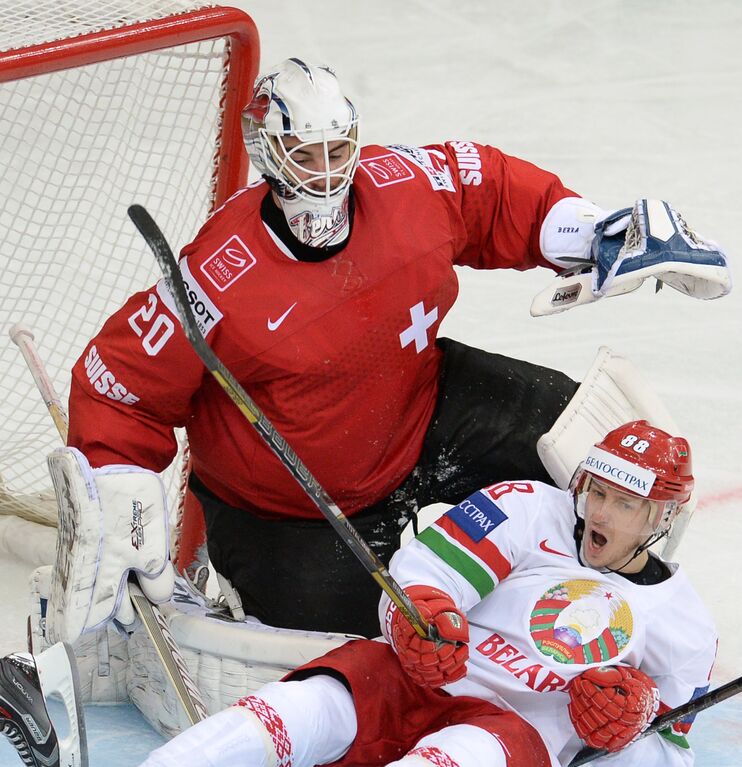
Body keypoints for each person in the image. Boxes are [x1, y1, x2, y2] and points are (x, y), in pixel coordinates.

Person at [53, 57, 730, 642]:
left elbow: (488, 190)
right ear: (267, 152)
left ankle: (598, 608)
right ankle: (233, 574)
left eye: (336, 150)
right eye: (304, 155)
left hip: (420, 405)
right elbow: (119, 382)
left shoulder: (402, 184)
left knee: (580, 440)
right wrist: (119, 491)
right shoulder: (218, 274)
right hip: (290, 505)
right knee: (370, 644)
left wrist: (594, 230)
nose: (325, 173)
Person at [32, 420, 717, 767]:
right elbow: (428, 575)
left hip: (514, 735)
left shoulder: (682, 626)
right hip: (419, 681)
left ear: (659, 517)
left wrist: (629, 733)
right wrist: (422, 616)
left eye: (623, 505)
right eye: (597, 492)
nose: (598, 512)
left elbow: (657, 763)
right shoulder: (527, 506)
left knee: (466, 757)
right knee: (309, 705)